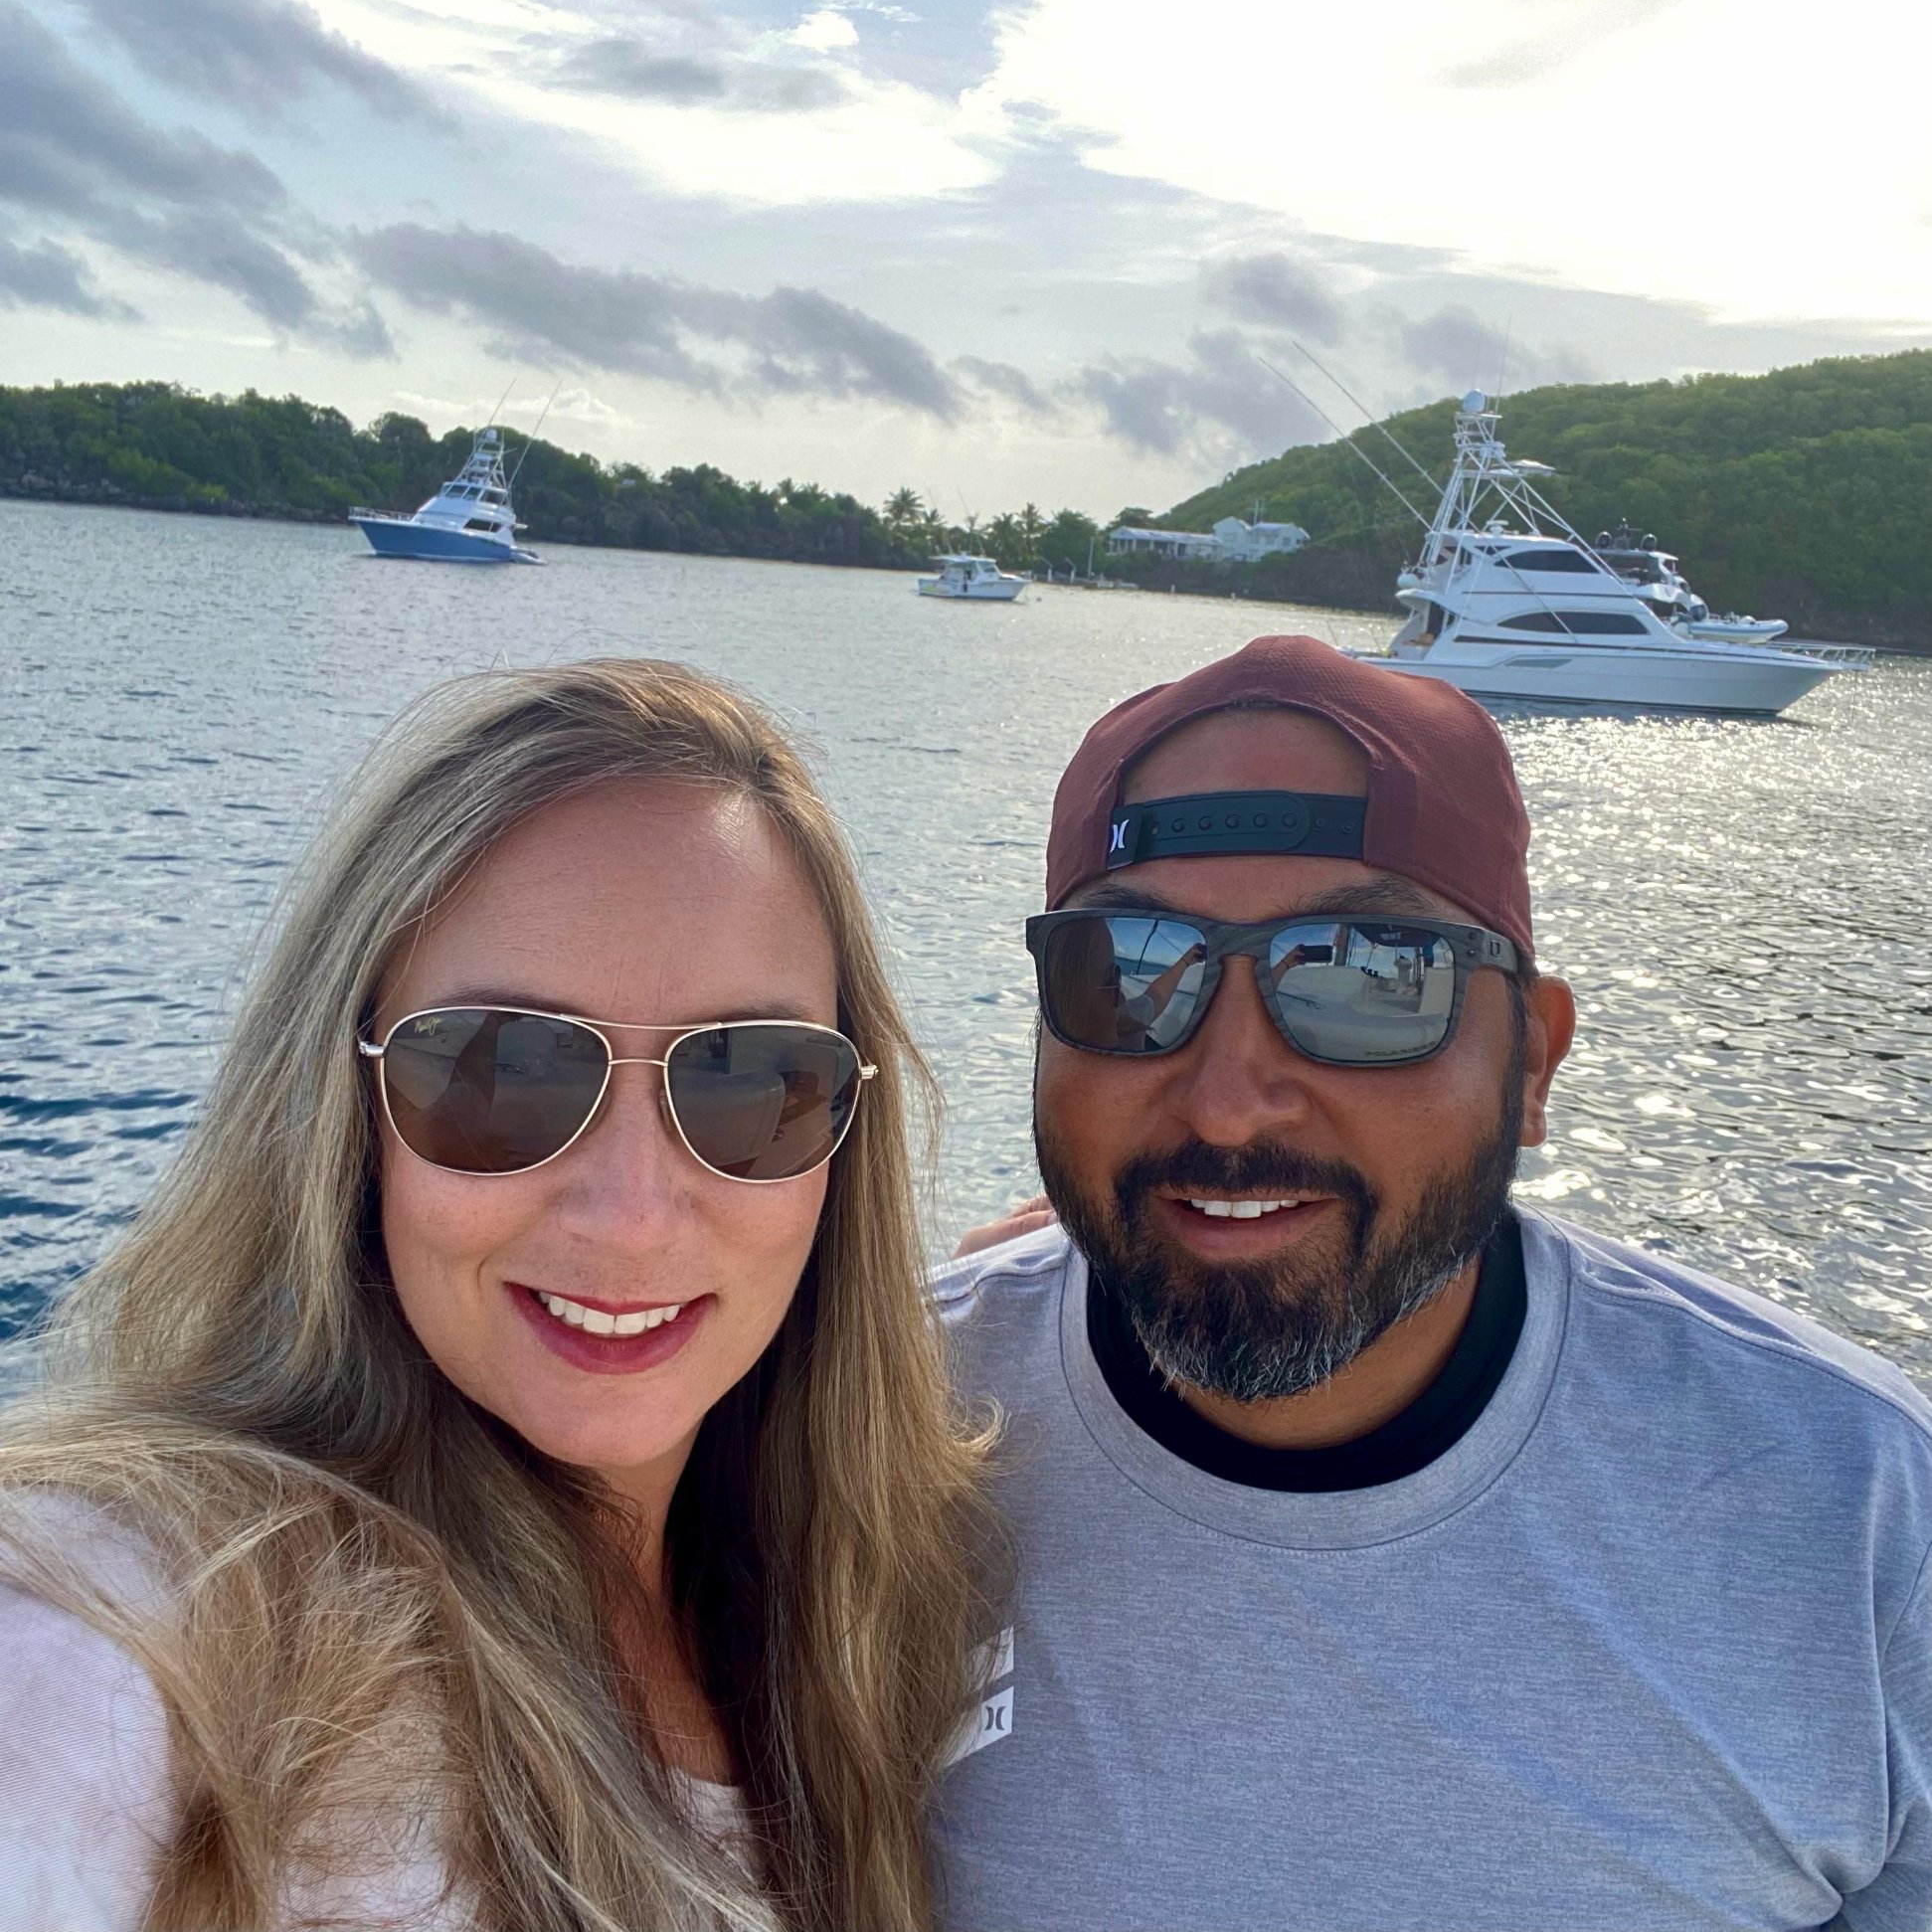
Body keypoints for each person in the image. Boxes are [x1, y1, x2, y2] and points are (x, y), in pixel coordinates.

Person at [934, 633, 1932, 1931]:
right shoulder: (870, 1423)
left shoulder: (1857, 1517)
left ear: (1530, 1063)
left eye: (1365, 975)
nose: (1227, 1103)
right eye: (1123, 975)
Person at [0, 659, 1000, 1931]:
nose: (631, 1210)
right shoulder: (175, 1625)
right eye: (494, 1067)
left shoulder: (857, 1601)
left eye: (750, 1080)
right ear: (341, 1112)